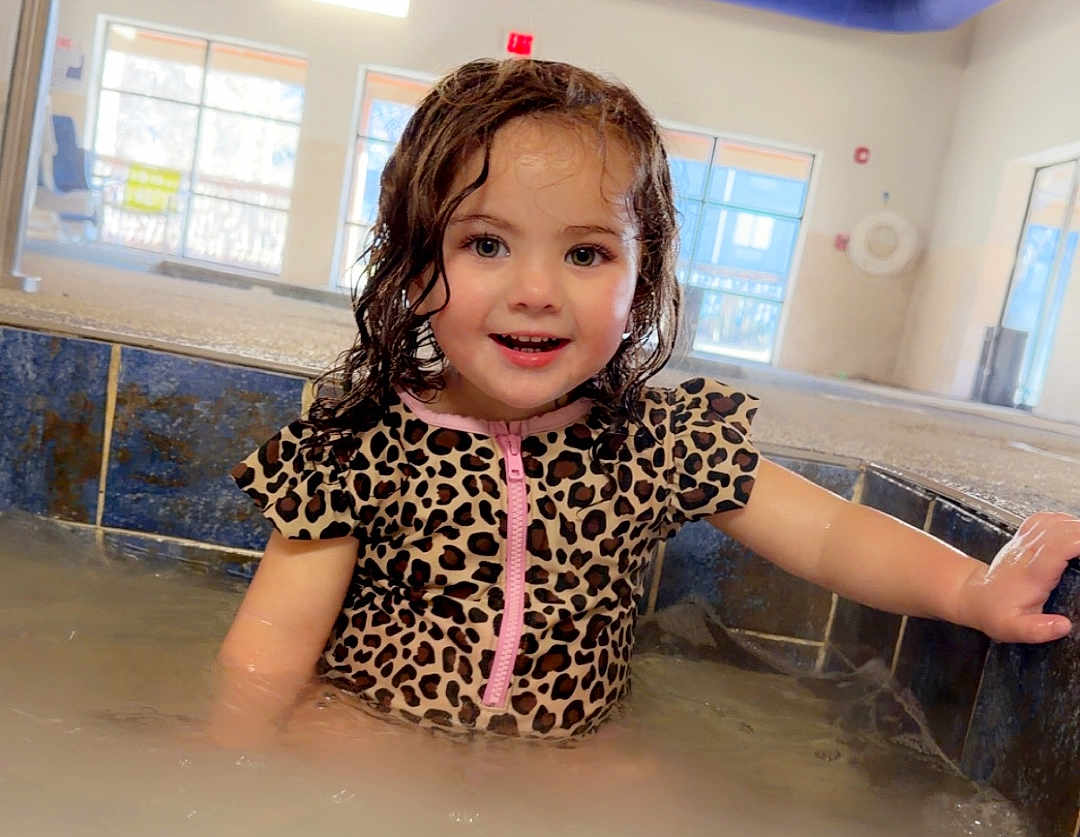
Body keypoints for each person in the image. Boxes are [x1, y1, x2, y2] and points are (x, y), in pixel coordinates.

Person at [214, 57, 1080, 748]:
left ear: (642, 283)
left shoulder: (655, 442)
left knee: (659, 823)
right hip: (377, 728)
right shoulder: (358, 450)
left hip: (566, 754)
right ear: (411, 272)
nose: (537, 290)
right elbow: (273, 647)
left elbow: (828, 533)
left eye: (587, 254)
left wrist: (973, 587)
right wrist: (228, 749)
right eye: (486, 243)